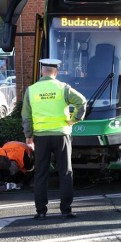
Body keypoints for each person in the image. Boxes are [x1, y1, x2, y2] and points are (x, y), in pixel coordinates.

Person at [22, 58, 87, 220]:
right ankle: (66, 210)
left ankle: (41, 211)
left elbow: (26, 116)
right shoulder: (63, 88)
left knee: (41, 174)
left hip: (41, 137)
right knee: (65, 172)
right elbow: (82, 102)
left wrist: (28, 135)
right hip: (61, 135)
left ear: (42, 71)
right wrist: (74, 119)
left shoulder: (31, 90)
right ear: (56, 72)